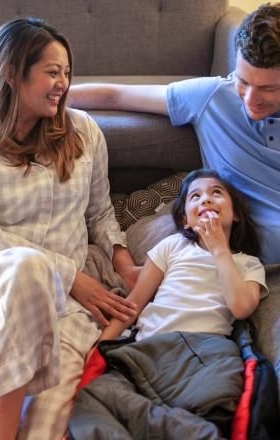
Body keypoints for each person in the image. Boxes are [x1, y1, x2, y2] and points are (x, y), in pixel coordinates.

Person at [0, 18, 139, 440]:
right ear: (11, 73)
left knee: (45, 421)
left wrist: (126, 264)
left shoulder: (84, 133)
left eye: (66, 72)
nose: (63, 83)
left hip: (67, 305)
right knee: (25, 268)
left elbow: (99, 213)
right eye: (51, 72)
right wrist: (69, 277)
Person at [68, 2, 280, 266]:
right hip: (244, 266)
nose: (251, 99)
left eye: (268, 88)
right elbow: (115, 95)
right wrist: (46, 97)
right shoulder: (211, 97)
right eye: (243, 81)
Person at [70, 169, 268, 438]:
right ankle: (175, 426)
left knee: (216, 402)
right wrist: (99, 348)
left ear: (235, 215)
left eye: (216, 193)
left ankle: (165, 423)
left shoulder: (248, 264)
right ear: (186, 221)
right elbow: (134, 304)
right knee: (91, 398)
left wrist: (220, 250)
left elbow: (242, 308)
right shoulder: (172, 246)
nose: (206, 200)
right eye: (195, 196)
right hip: (150, 347)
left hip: (205, 354)